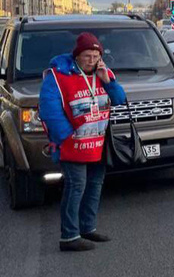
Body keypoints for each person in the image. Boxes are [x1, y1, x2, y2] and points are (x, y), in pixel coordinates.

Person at [39, 32, 127, 252]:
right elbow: (49, 110)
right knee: (76, 186)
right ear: (77, 56)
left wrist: (107, 81)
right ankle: (69, 236)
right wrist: (67, 138)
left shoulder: (103, 73)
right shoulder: (57, 77)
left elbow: (119, 100)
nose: (92, 60)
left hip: (98, 142)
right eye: (87, 55)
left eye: (96, 55)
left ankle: (88, 228)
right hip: (73, 144)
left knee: (95, 185)